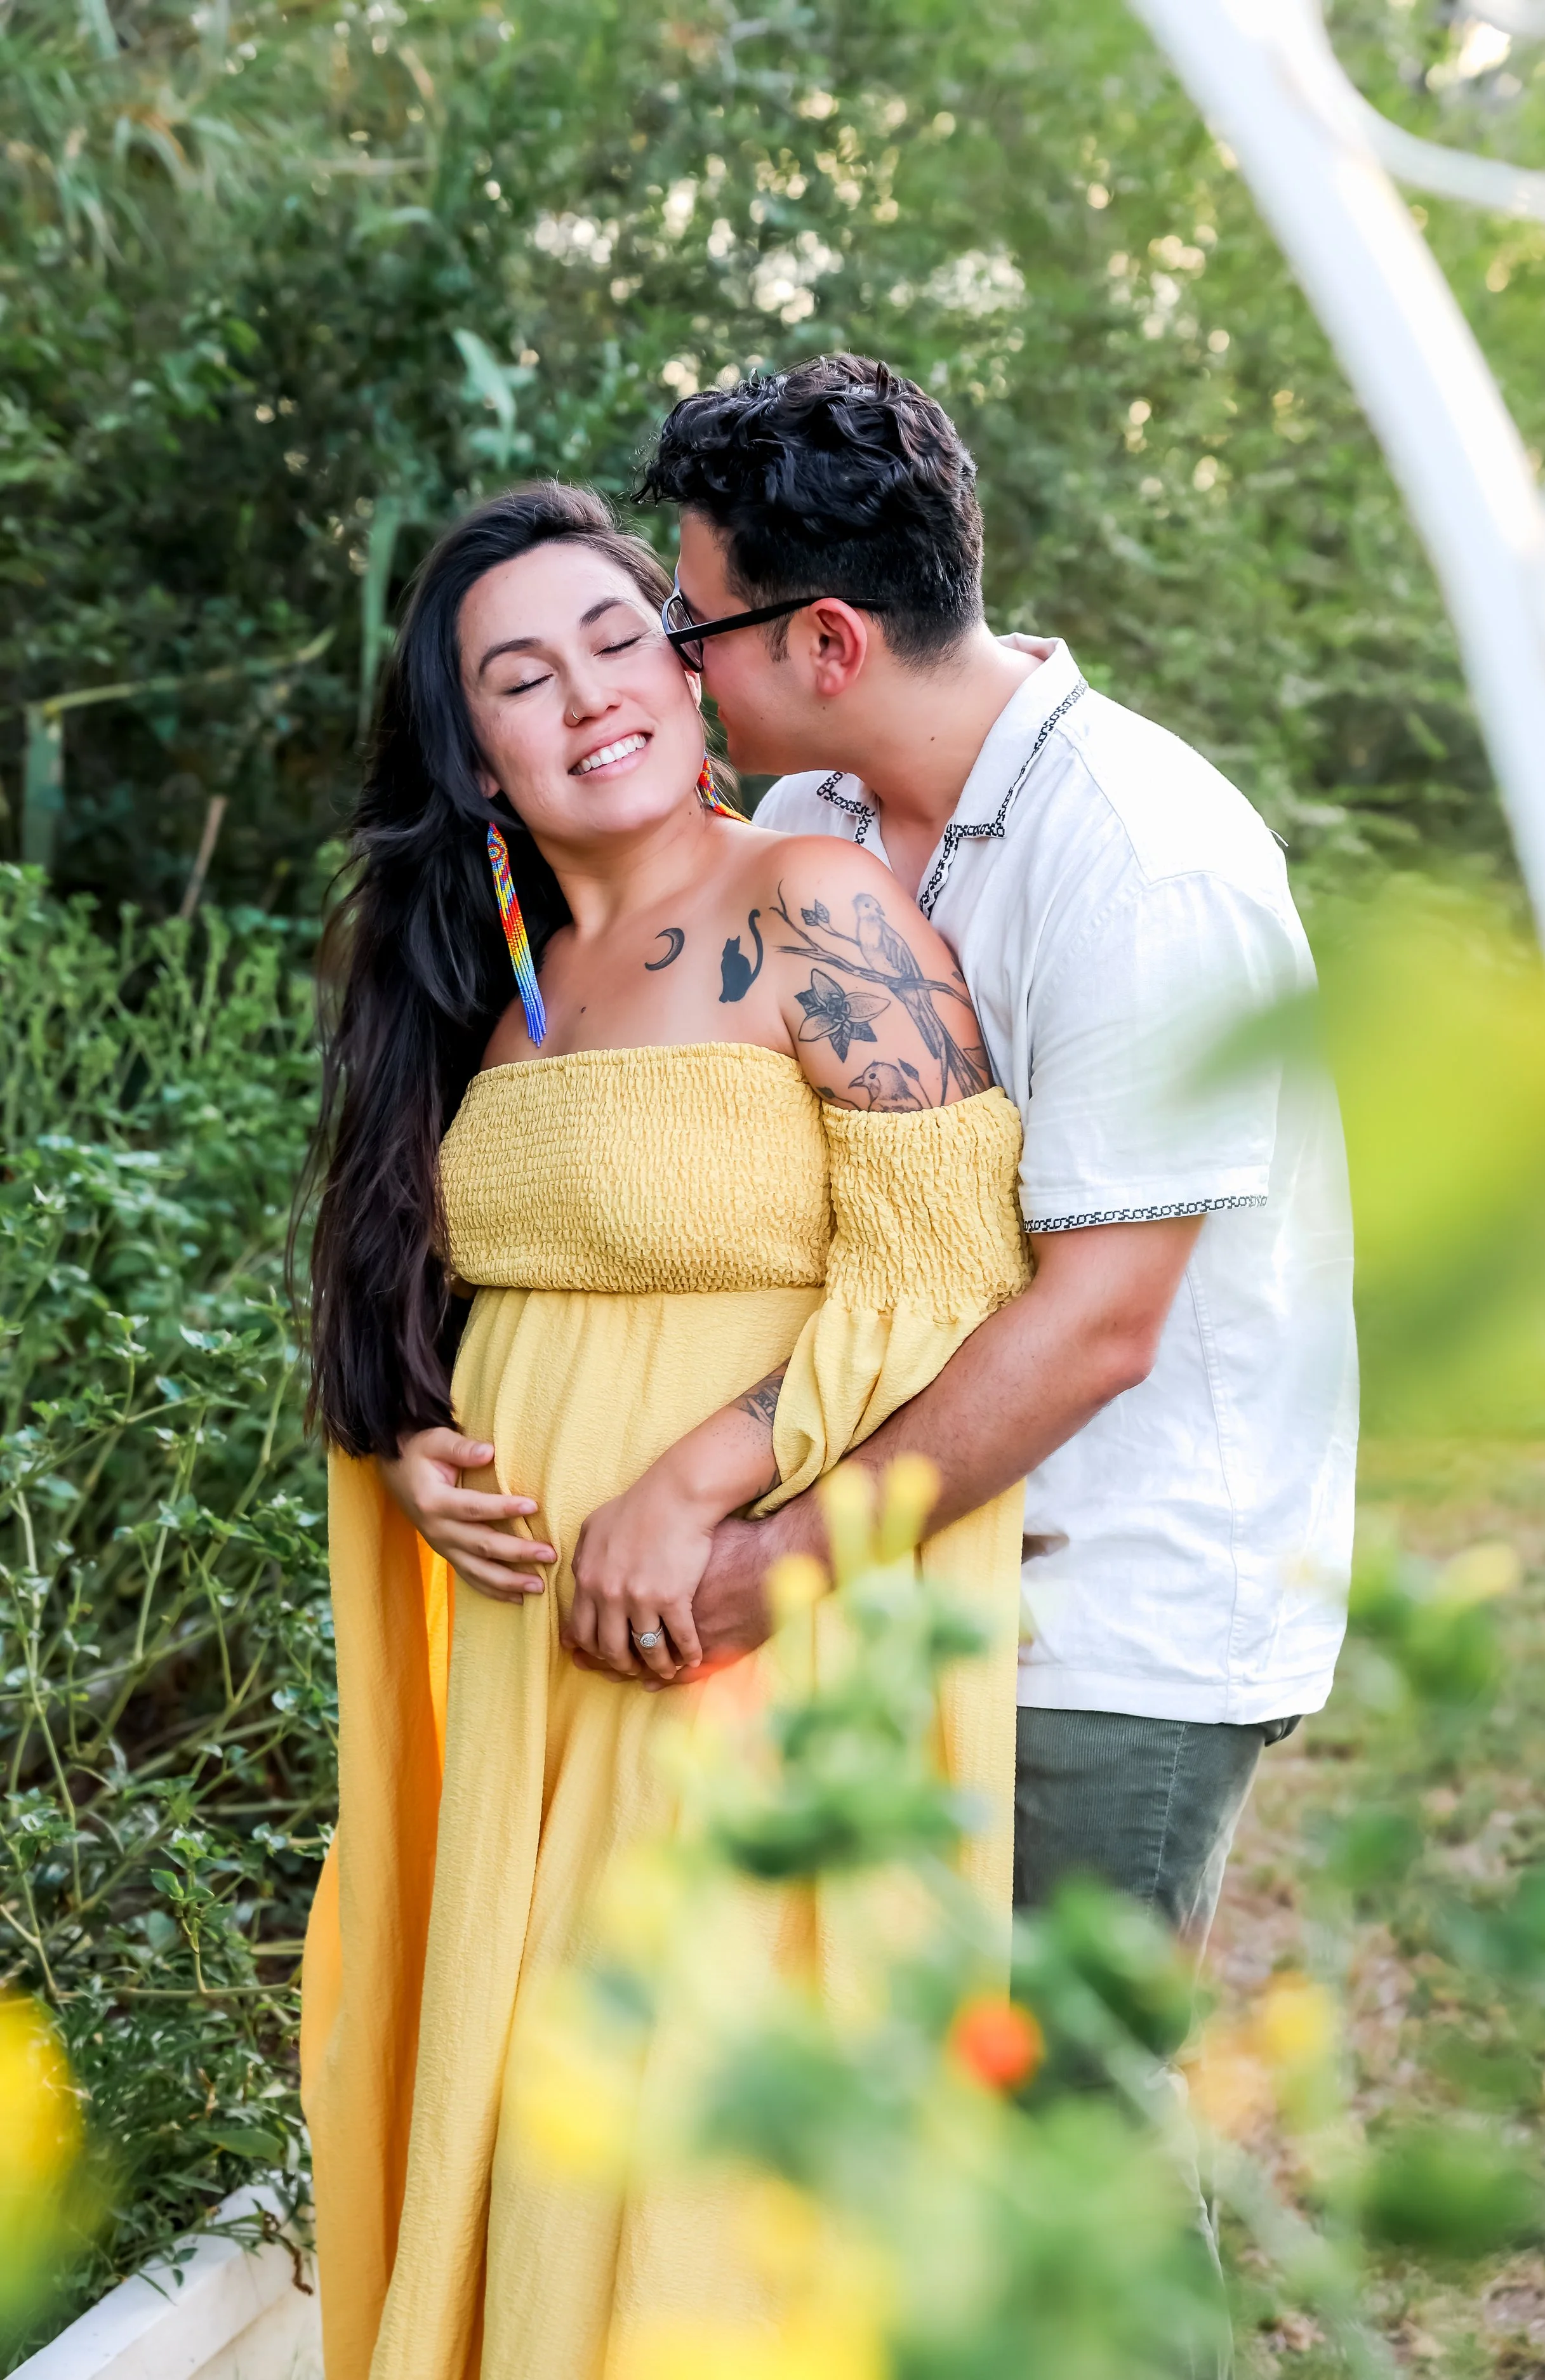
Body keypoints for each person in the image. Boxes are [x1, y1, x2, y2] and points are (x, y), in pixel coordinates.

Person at [387, 356, 1358, 1964]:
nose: (668, 665)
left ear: (825, 641)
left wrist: (765, 1555)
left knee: (1056, 2095)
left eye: (685, 625)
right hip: (897, 1585)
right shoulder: (813, 809)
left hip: (1105, 1614)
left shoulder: (1141, 862)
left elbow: (1098, 1323)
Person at [297, 480, 1032, 2380]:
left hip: (737, 1619)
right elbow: (412, 1281)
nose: (588, 695)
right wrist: (408, 1441)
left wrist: (703, 1481)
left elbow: (947, 1264)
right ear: (473, 752)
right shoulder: (488, 982)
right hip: (525, 1673)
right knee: (550, 2089)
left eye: (618, 637)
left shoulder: (808, 904)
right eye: (519, 677)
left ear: (687, 666)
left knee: (687, 2121)